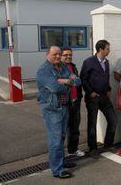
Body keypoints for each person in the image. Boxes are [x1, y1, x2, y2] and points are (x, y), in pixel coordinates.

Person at [36, 46, 81, 179]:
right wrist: (68, 81)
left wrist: (65, 80)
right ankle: (57, 169)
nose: (57, 56)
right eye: (54, 54)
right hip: (52, 109)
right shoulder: (44, 70)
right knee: (55, 140)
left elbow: (77, 81)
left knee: (61, 138)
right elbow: (55, 88)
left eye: (59, 54)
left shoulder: (62, 66)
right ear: (47, 54)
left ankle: (60, 162)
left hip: (64, 106)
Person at [80, 40, 117, 158]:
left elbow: (105, 78)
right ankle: (93, 149)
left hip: (104, 97)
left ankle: (108, 144)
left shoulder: (106, 62)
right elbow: (83, 79)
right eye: (107, 48)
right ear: (100, 49)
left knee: (113, 120)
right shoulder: (88, 62)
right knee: (92, 124)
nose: (109, 50)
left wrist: (109, 88)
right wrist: (90, 92)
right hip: (93, 98)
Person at [60, 47, 85, 157]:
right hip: (64, 103)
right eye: (65, 55)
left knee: (75, 127)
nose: (68, 57)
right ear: (60, 56)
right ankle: (59, 154)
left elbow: (78, 82)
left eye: (70, 55)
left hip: (76, 101)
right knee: (62, 130)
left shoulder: (73, 67)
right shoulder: (58, 68)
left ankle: (72, 150)